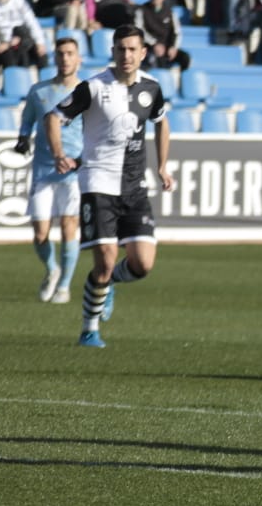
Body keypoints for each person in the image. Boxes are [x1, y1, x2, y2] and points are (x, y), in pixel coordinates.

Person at [45, 25, 175, 349]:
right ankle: (89, 330)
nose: (126, 55)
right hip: (97, 181)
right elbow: (54, 117)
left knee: (143, 264)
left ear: (143, 53)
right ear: (113, 51)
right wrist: (60, 154)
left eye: (132, 49)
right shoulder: (94, 87)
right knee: (105, 258)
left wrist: (161, 165)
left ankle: (109, 283)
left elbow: (161, 123)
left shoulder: (152, 88)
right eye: (121, 49)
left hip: (134, 186)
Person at [14, 38, 85, 304]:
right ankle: (52, 269)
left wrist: (80, 159)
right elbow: (28, 119)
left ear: (78, 59)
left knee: (69, 226)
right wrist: (22, 138)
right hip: (44, 168)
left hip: (73, 171)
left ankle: (65, 286)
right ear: (54, 58)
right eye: (61, 54)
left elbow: (93, 132)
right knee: (40, 232)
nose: (65, 58)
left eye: (70, 53)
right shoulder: (39, 91)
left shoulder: (86, 93)